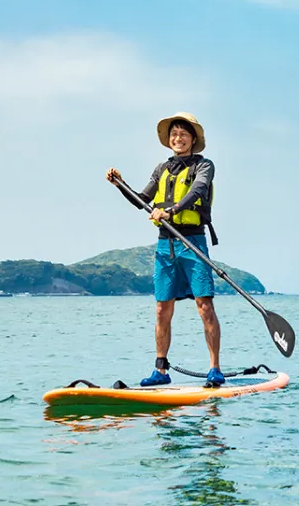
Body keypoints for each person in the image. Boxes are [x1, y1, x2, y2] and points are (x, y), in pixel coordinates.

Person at [106, 112, 224, 388]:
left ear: (193, 138)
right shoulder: (162, 169)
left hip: (193, 242)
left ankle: (215, 368)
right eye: (174, 134)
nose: (177, 138)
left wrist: (171, 211)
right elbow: (141, 200)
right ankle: (161, 370)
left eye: (183, 133)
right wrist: (120, 185)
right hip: (165, 244)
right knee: (161, 308)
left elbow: (196, 191)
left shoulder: (204, 166)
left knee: (204, 305)